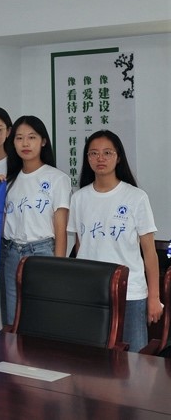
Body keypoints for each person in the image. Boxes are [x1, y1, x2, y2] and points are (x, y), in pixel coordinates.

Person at [68, 130, 161, 352]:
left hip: (130, 293)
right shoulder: (79, 198)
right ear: (87, 158)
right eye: (94, 153)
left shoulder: (136, 197)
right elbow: (80, 246)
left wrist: (154, 297)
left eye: (107, 153)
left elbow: (149, 253)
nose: (100, 158)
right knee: (92, 360)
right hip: (90, 293)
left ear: (118, 157)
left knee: (134, 360)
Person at [0, 115, 70, 325]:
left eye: (32, 137)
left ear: (43, 141)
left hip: (42, 252)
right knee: (13, 319)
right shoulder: (8, 181)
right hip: (11, 252)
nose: (25, 143)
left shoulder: (58, 178)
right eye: (19, 138)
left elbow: (61, 229)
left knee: (43, 317)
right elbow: (0, 223)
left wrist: (58, 267)